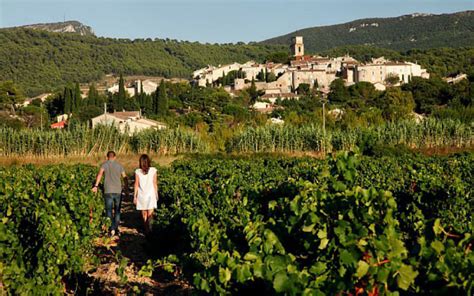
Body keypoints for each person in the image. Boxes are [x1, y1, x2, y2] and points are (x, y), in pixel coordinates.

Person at [92, 151, 127, 236]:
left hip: (108, 190)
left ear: (107, 157)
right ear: (115, 157)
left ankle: (111, 229)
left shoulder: (104, 165)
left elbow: (100, 174)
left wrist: (96, 186)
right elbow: (124, 177)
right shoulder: (119, 166)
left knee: (109, 211)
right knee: (117, 210)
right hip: (118, 191)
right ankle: (116, 228)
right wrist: (126, 188)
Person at [134, 154, 158, 234]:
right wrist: (156, 194)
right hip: (151, 195)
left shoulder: (137, 171)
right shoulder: (153, 170)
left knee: (144, 214)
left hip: (141, 195)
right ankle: (151, 230)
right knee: (150, 214)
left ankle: (146, 229)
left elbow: (136, 184)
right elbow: (155, 183)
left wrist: (135, 196)